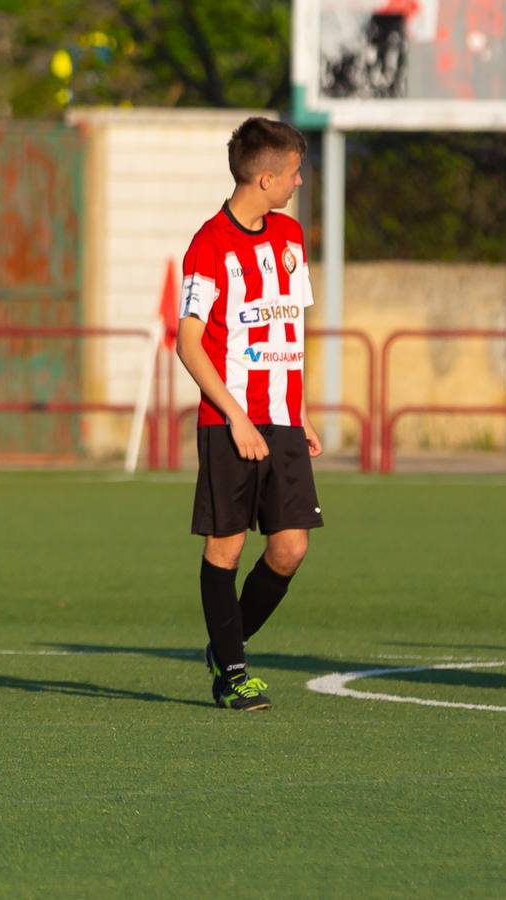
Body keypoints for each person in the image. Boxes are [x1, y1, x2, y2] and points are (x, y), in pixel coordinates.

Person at [173, 117, 325, 712]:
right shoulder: (208, 244)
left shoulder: (291, 239)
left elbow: (291, 329)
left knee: (290, 549)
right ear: (266, 178)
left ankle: (224, 644)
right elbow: (188, 341)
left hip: (284, 419)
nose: (299, 183)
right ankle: (233, 673)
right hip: (230, 423)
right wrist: (236, 416)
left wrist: (302, 410)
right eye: (293, 173)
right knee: (226, 550)